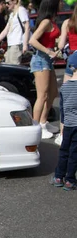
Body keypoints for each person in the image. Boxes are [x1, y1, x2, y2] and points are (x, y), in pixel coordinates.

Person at [29, 0, 61, 139]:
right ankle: (36, 128)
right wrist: (49, 52)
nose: (61, 4)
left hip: (46, 60)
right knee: (42, 96)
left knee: (53, 93)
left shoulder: (51, 21)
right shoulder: (46, 22)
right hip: (41, 60)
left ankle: (43, 122)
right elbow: (32, 40)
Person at [50, 63, 77, 190]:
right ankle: (70, 180)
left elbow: (62, 108)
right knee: (74, 153)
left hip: (67, 125)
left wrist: (62, 125)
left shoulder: (65, 87)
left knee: (64, 151)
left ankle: (58, 176)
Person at [57, 6, 77, 145]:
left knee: (66, 99)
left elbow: (61, 44)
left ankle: (63, 134)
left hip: (72, 61)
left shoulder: (67, 23)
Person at [0, 0, 29, 65]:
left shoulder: (21, 10)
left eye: (8, 3)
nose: (6, 5)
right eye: (5, 3)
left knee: (14, 69)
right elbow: (5, 31)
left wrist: (25, 44)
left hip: (17, 44)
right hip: (10, 44)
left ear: (15, 1)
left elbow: (27, 27)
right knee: (8, 67)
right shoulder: (12, 14)